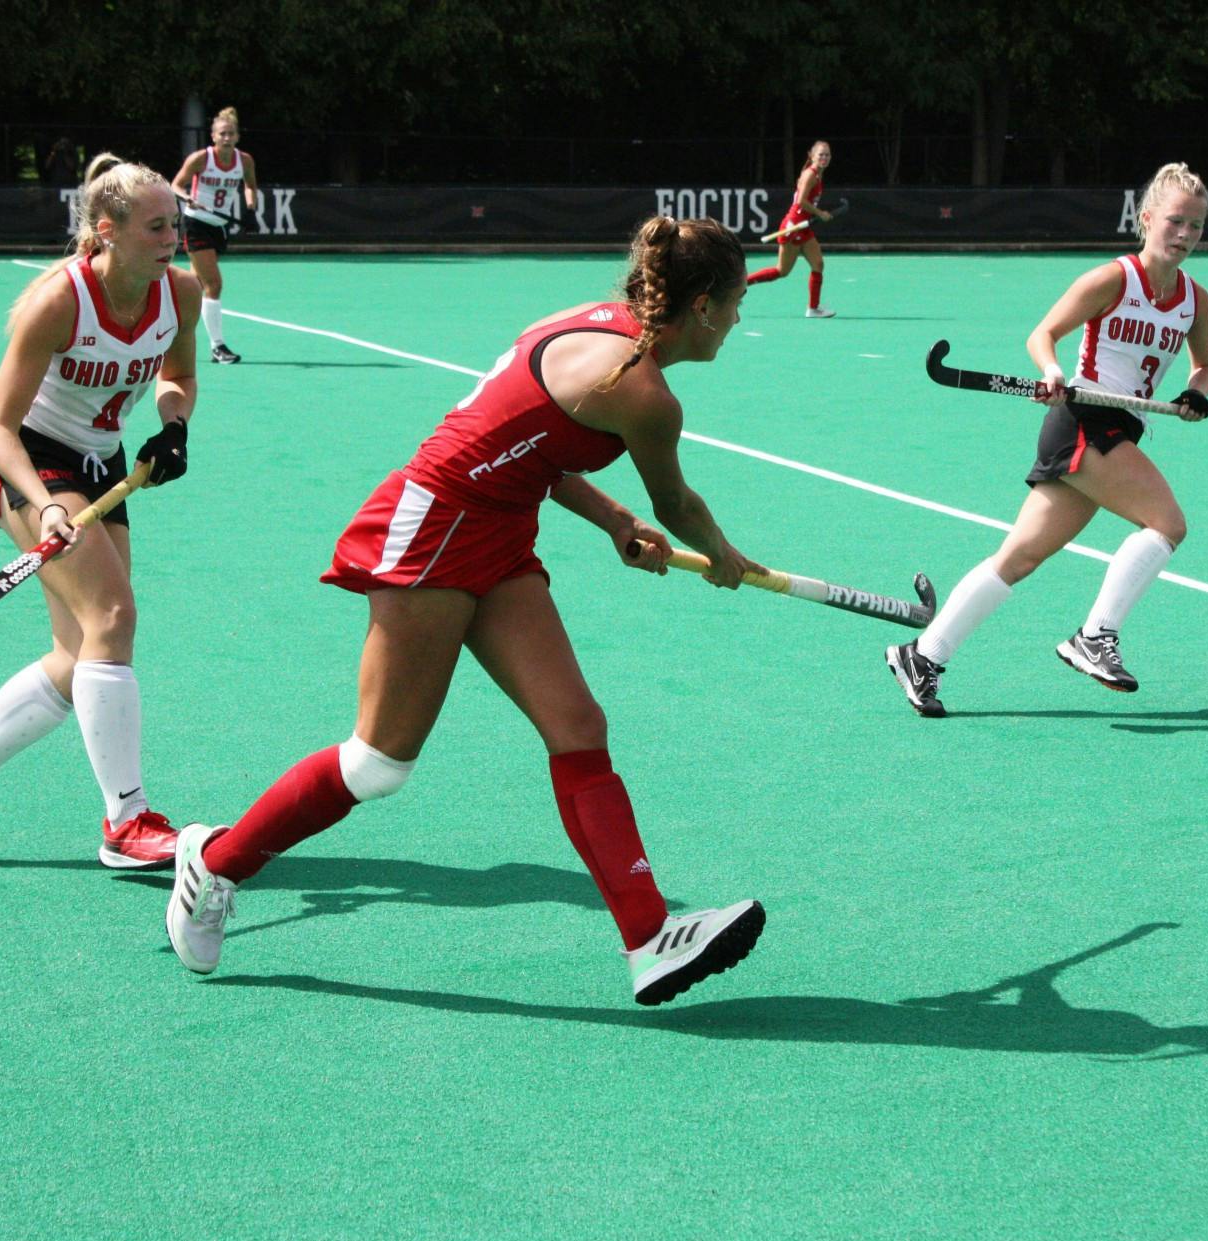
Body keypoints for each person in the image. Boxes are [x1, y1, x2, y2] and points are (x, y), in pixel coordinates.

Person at [167, 216, 768, 1006]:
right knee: (377, 762)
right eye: (734, 304)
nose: (736, 321)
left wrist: (615, 521)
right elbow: (678, 501)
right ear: (698, 307)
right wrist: (722, 554)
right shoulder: (646, 394)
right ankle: (214, 863)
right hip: (434, 527)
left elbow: (537, 451)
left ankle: (649, 937)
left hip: (500, 528)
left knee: (578, 728)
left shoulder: (591, 326)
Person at [0, 153, 202, 870]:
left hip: (102, 463)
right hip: (28, 462)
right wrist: (42, 506)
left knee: (79, 654)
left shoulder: (177, 295)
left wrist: (175, 424)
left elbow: (178, 375)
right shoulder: (59, 302)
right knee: (113, 619)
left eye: (174, 223)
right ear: (106, 231)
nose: (172, 237)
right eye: (156, 226)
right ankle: (126, 822)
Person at [885, 163, 1208, 717]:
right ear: (1148, 218)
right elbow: (1044, 335)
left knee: (1019, 556)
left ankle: (922, 655)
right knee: (1167, 524)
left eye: (1197, 226)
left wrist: (1196, 394)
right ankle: (1096, 636)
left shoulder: (1194, 300)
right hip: (1084, 416)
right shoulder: (1113, 279)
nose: (1184, 236)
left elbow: (1203, 366)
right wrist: (1052, 369)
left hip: (1121, 426)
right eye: (1175, 222)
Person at [170, 106, 258, 363]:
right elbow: (176, 184)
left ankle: (165, 315)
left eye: (231, 134)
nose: (227, 138)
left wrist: (250, 210)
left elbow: (250, 187)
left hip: (219, 226)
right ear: (214, 136)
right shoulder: (201, 159)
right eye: (222, 134)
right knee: (214, 284)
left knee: (196, 284)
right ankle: (218, 347)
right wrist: (188, 198)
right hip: (196, 222)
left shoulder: (245, 161)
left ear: (237, 136)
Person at [744, 140, 837, 318]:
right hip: (793, 226)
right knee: (781, 271)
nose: (824, 158)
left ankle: (813, 308)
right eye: (821, 155)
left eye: (827, 155)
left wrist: (816, 214)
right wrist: (820, 213)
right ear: (812, 156)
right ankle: (743, 284)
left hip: (804, 227)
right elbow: (801, 201)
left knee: (818, 264)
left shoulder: (818, 174)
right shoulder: (810, 175)